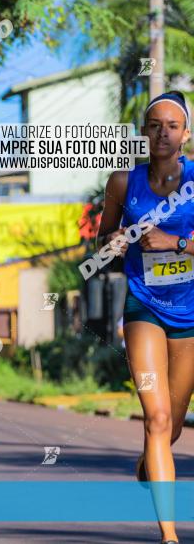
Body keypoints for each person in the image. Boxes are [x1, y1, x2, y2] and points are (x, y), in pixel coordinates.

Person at [97, 91, 194, 544]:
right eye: (154, 124)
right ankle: (170, 536)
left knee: (172, 426)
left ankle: (147, 463)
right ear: (144, 132)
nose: (162, 132)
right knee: (155, 419)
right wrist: (114, 244)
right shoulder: (122, 183)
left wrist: (172, 244)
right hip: (144, 308)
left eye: (172, 125)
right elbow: (100, 244)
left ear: (186, 134)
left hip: (190, 314)